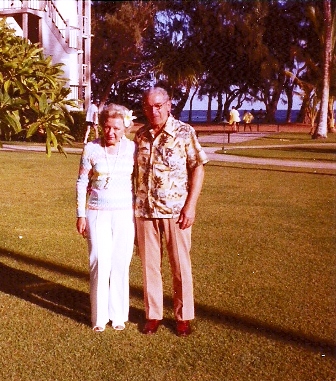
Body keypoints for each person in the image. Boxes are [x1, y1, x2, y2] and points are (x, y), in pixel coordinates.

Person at [134, 87, 209, 337]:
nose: (153, 111)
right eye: (148, 106)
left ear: (168, 105)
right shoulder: (140, 135)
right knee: (149, 267)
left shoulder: (184, 133)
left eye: (158, 106)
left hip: (176, 212)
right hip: (145, 211)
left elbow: (198, 167)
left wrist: (191, 205)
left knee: (180, 266)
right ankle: (153, 315)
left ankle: (183, 316)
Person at [76, 103, 137, 332]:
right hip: (97, 214)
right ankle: (99, 318)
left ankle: (119, 315)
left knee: (120, 263)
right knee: (99, 262)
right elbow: (82, 182)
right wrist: (80, 214)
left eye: (116, 128)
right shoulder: (91, 149)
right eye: (107, 127)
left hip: (125, 215)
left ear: (125, 128)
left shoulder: (133, 148)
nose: (110, 132)